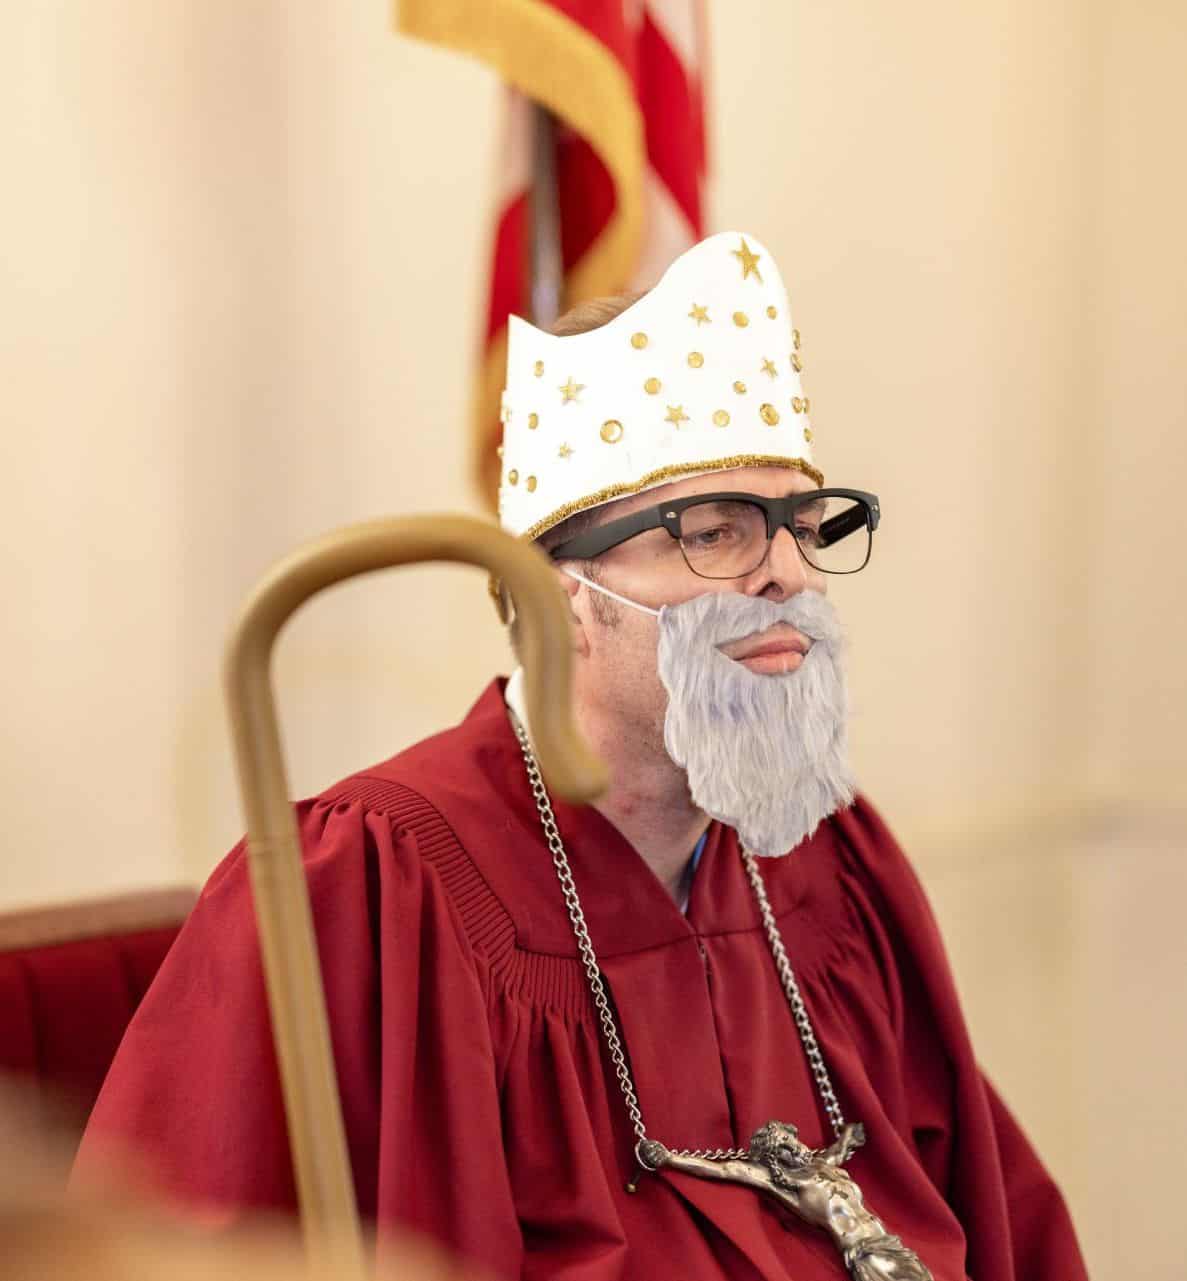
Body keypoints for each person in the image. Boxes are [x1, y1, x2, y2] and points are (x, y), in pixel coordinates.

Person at [77, 233, 1088, 1281]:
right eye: (714, 530)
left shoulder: (833, 862)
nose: (788, 573)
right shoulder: (363, 886)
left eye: (798, 524)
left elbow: (998, 1220)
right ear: (566, 596)